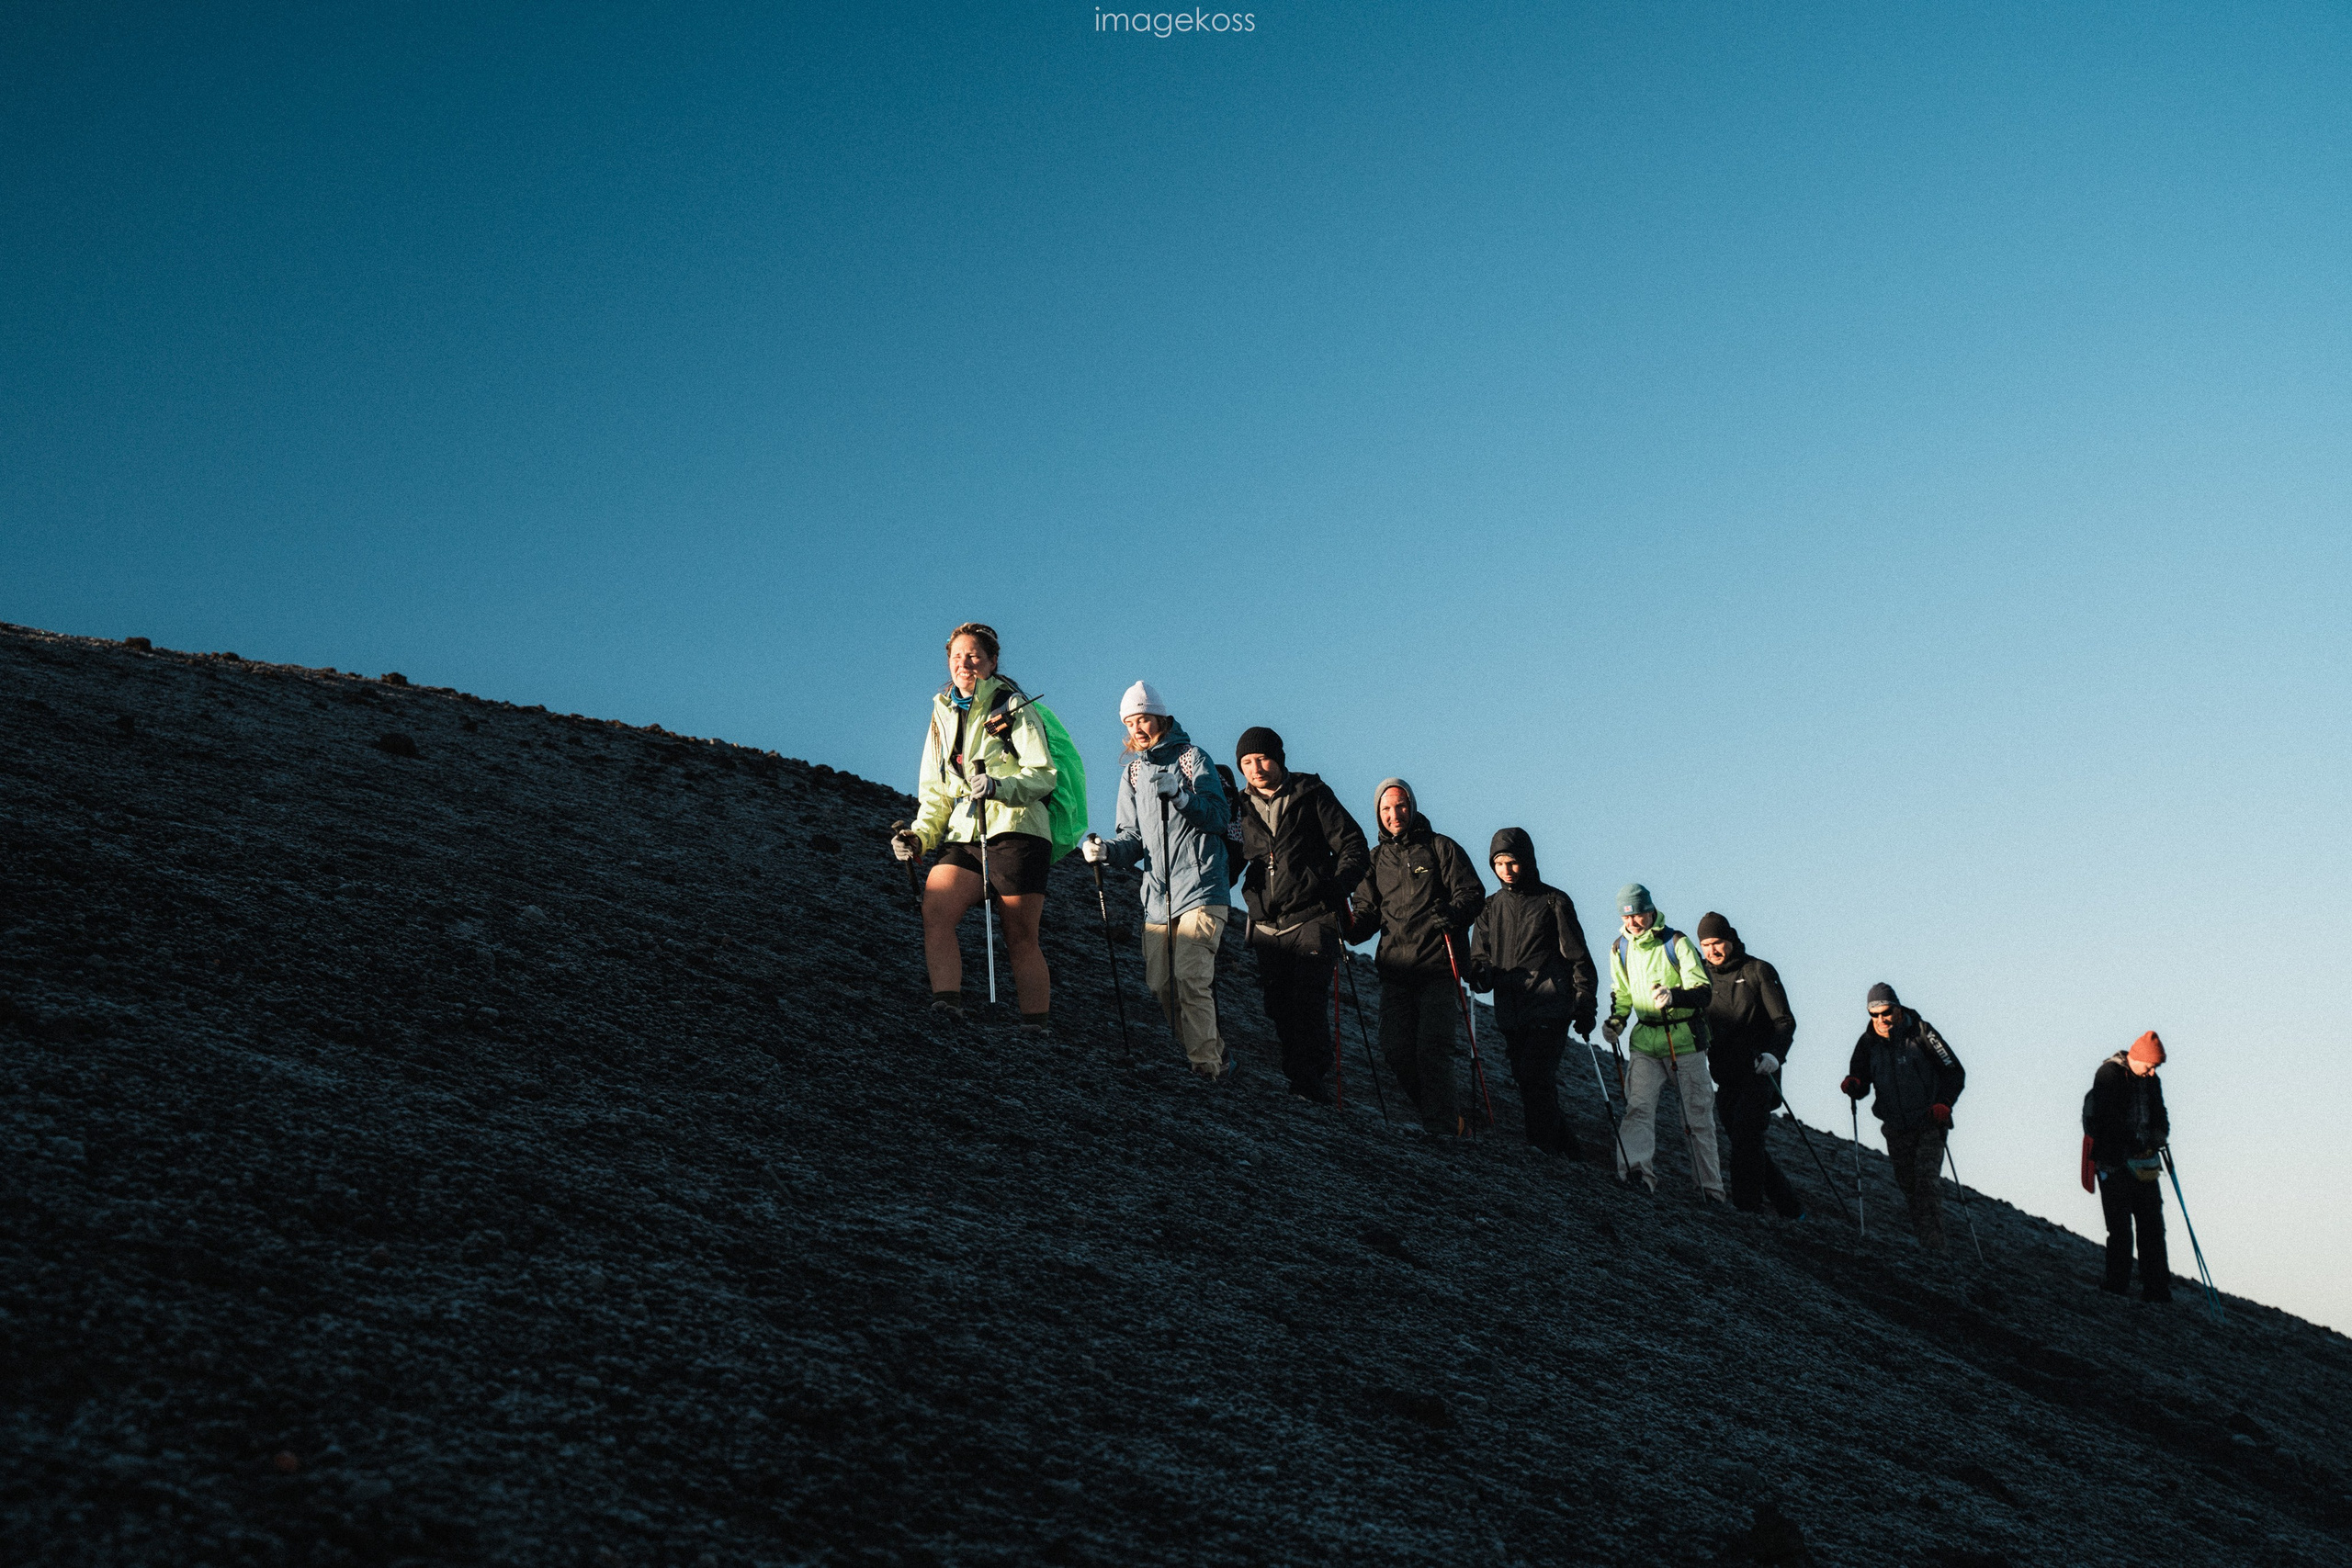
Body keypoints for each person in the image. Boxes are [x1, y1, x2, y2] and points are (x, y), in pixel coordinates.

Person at [892, 623, 1058, 1028]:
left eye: (973, 656)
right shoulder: (941, 714)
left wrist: (999, 786)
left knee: (1020, 935)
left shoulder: (1012, 706)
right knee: (936, 908)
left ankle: (1036, 1028)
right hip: (966, 832)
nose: (963, 664)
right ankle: (946, 1005)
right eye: (957, 657)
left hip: (1019, 831)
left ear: (992, 661)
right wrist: (919, 836)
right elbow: (936, 792)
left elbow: (1043, 775)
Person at [1080, 683, 1234, 1078]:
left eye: (1144, 719)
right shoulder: (1133, 773)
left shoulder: (1193, 758)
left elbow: (1219, 817)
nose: (1137, 728)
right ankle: (1212, 1052)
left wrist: (1181, 797)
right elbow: (1133, 839)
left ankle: (1206, 1066)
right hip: (1158, 898)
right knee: (1161, 985)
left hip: (1202, 888)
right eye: (1130, 722)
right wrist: (1105, 851)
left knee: (1190, 977)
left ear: (1161, 718)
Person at [1229, 727, 1370, 1102]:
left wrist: (1339, 885)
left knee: (1307, 1002)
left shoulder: (1312, 794)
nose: (1256, 768)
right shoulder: (1238, 807)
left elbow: (1354, 844)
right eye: (1247, 762)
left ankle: (1309, 1083)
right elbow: (1231, 857)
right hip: (1265, 924)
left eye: (1262, 759)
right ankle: (1300, 1080)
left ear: (1279, 758)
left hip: (1313, 916)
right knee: (1278, 1007)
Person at [1343, 779, 1485, 1133]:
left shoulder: (1441, 848)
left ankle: (1443, 1131)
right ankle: (1447, 1118)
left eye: (1401, 805)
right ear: (1378, 814)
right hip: (1395, 972)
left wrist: (1453, 913)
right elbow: (1366, 916)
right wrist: (1344, 923)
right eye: (1386, 808)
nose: (1395, 814)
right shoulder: (1375, 861)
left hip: (1439, 967)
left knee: (1433, 1051)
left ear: (1413, 806)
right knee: (1395, 1051)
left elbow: (1471, 893)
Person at [1466, 828, 1597, 1156]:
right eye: (1499, 864)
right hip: (1511, 1011)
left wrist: (1584, 1004)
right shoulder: (1489, 908)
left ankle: (1541, 1149)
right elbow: (1480, 959)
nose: (1506, 870)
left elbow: (1578, 958)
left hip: (1550, 1005)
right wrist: (1479, 975)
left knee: (1535, 1077)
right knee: (1529, 1082)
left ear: (1527, 860)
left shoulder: (1554, 901)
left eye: (1512, 862)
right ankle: (1571, 1155)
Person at [1601, 886, 1721, 1196]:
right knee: (1638, 1109)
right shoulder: (1619, 948)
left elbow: (1703, 991)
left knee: (1696, 1119)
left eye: (1638, 914)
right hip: (1645, 1042)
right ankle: (1636, 1175)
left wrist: (1674, 996)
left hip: (1685, 1042)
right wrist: (1617, 1021)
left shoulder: (1677, 943)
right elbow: (1622, 994)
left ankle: (1710, 1189)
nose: (1632, 922)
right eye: (1626, 917)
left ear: (1651, 910)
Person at [1842, 983, 1966, 1250]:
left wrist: (1944, 1103)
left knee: (1926, 1184)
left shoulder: (1922, 1033)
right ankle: (1926, 1245)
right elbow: (1860, 1080)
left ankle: (1936, 1250)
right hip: (1895, 1128)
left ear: (1897, 1008)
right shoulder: (1867, 1043)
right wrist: (1854, 1084)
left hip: (1929, 1122)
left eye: (1886, 1012)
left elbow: (1954, 1072)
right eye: (1874, 1014)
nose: (1881, 1019)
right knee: (1909, 1188)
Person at [1696, 912, 1802, 1218]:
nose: (1712, 951)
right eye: (1706, 945)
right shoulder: (1699, 976)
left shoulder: (1758, 970)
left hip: (1759, 1072)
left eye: (1718, 942)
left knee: (1747, 1137)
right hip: (1724, 1075)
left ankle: (1747, 1209)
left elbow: (1784, 1021)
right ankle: (1791, 1209)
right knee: (1745, 1144)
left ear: (1730, 940)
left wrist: (1774, 1056)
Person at [2086, 1031, 2172, 1302]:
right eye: (2150, 1066)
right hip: (2113, 1163)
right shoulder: (2108, 1075)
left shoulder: (2152, 1081)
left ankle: (2157, 1290)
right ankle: (2116, 1285)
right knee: (2120, 1229)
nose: (2152, 1072)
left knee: (2153, 1228)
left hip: (2144, 1163)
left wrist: (2160, 1134)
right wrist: (2134, 1140)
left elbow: (2161, 1114)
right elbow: (2106, 1119)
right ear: (2139, 1057)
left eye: (2155, 1067)